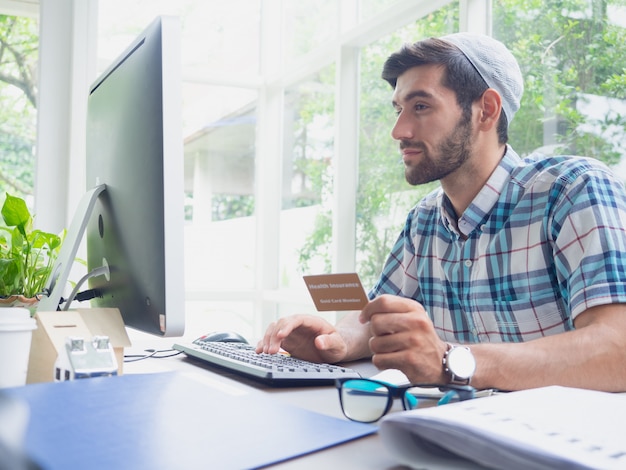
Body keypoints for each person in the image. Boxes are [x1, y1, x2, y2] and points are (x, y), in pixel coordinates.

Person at [256, 32, 626, 392]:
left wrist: (452, 361)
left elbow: (618, 350)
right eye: (399, 109)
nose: (398, 130)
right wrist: (334, 341)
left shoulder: (571, 189)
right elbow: (374, 322)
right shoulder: (424, 221)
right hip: (451, 436)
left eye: (421, 106)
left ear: (487, 110)